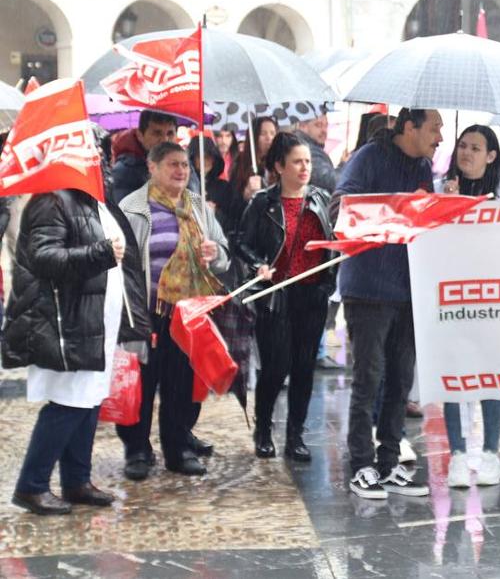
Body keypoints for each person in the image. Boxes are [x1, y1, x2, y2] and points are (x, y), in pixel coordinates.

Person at [3, 134, 152, 516]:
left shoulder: (93, 201)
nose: (100, 160)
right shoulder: (52, 199)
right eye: (91, 152)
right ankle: (32, 485)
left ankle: (76, 480)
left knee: (88, 399)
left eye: (100, 153)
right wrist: (100, 253)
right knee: (69, 402)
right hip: (66, 321)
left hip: (96, 320)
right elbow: (43, 257)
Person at [334, 108, 441, 499]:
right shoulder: (367, 157)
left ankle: (389, 461)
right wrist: (399, 206)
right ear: (409, 127)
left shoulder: (424, 165)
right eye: (434, 128)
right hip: (368, 287)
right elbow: (341, 206)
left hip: (409, 288)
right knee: (369, 378)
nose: (441, 137)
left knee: (400, 380)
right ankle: (361, 464)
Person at [116, 142, 231, 479]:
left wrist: (214, 253)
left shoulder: (197, 206)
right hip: (146, 312)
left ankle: (177, 448)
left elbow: (223, 255)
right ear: (152, 168)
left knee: (180, 383)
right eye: (173, 164)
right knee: (143, 385)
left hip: (188, 314)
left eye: (185, 165)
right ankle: (137, 450)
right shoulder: (133, 207)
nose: (182, 171)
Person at [237, 132, 336, 463]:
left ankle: (296, 434)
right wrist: (257, 264)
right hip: (276, 296)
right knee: (275, 368)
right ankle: (263, 430)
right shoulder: (263, 202)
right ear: (279, 166)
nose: (305, 167)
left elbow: (335, 241)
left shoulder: (321, 199)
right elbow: (243, 242)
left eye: (307, 161)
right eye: (297, 161)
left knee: (305, 367)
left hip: (313, 294)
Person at [436, 125, 500, 487]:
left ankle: (490, 453)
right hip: (451, 296)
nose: (466, 153)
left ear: (491, 156)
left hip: (494, 297)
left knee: (492, 372)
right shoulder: (442, 188)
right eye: (462, 146)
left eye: (475, 147)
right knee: (453, 374)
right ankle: (456, 454)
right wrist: (445, 206)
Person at [109, 110, 178, 205]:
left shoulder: (183, 166)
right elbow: (126, 215)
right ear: (140, 135)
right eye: (157, 133)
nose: (165, 140)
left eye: (170, 133)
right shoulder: (125, 172)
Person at [295, 112, 338, 194]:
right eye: (318, 125)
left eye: (326, 125)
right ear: (303, 126)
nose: (324, 130)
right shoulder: (308, 150)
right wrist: (344, 164)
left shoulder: (309, 147)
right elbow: (330, 182)